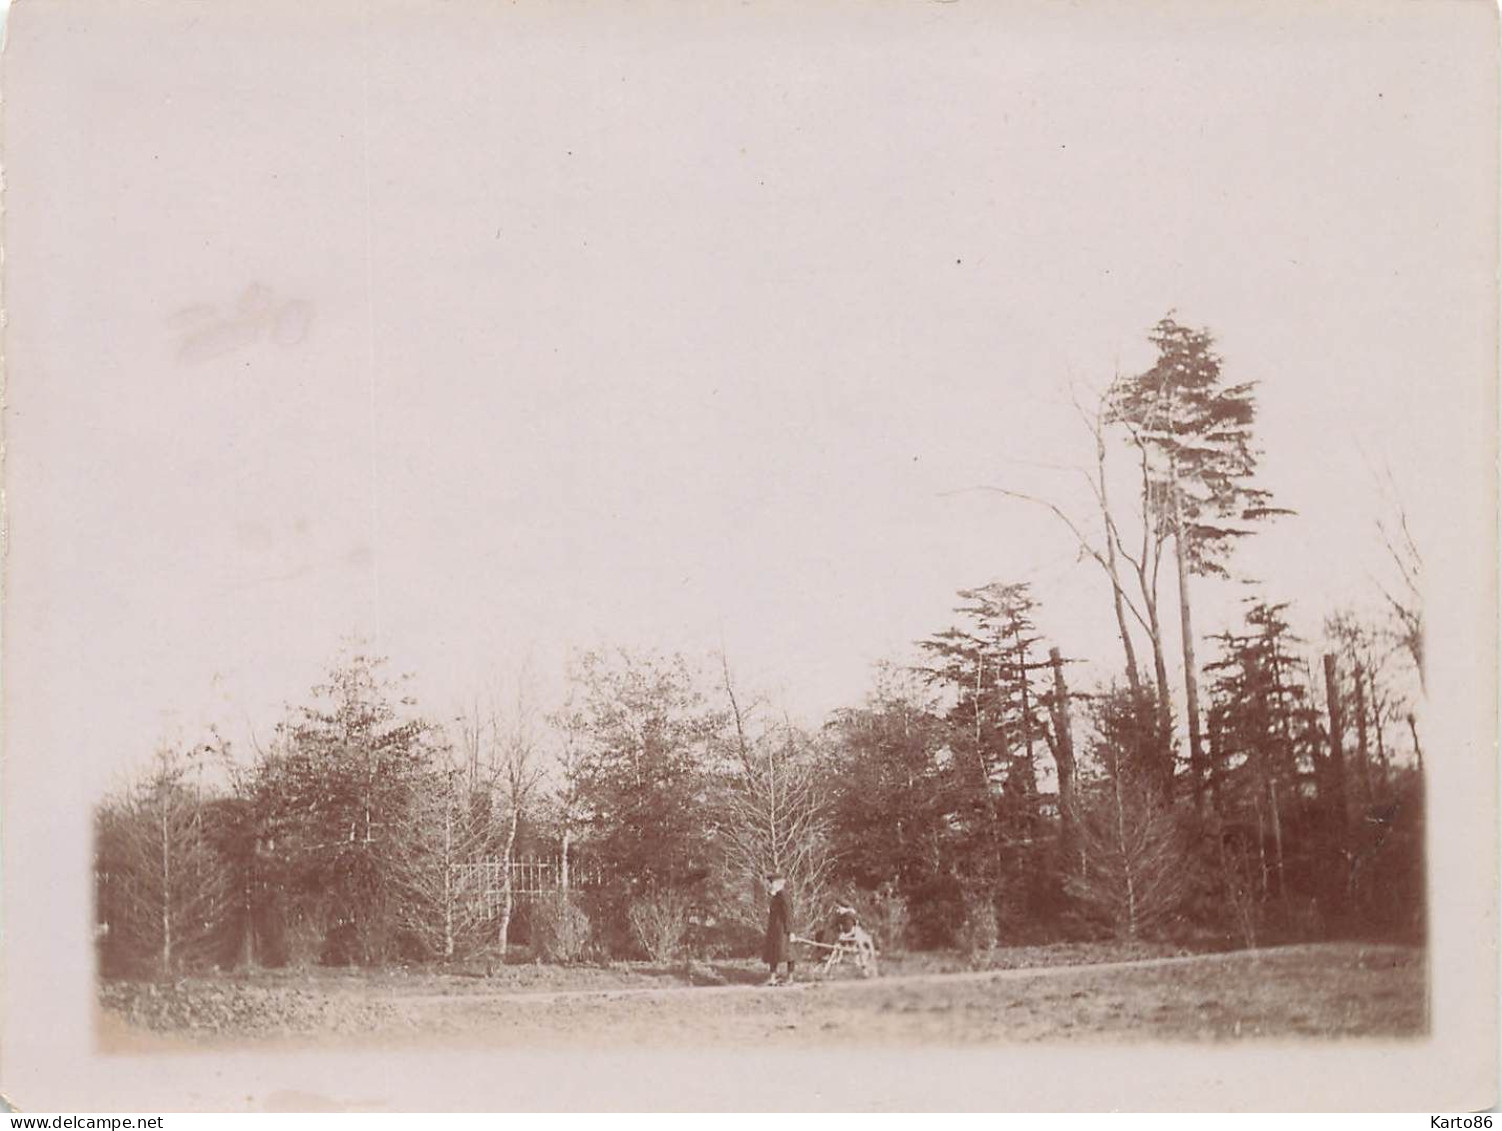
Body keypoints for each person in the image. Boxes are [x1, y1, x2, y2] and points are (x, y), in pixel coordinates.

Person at [762, 874, 795, 985]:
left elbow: (788, 914)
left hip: (783, 930)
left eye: (770, 883)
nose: (769, 886)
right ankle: (772, 978)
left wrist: (790, 931)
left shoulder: (784, 896)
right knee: (774, 953)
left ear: (777, 883)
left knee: (788, 953)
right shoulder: (776, 896)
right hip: (775, 930)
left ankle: (790, 978)